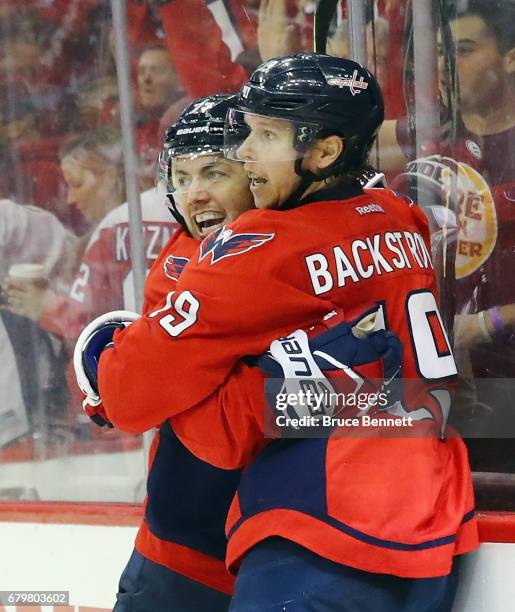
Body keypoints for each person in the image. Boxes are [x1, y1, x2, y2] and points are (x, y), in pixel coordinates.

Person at [80, 53, 478, 611]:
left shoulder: (257, 254)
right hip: (430, 516)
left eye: (263, 136)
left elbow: (126, 398)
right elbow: (375, 391)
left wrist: (247, 395)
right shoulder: (397, 216)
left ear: (324, 151)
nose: (245, 153)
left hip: (319, 527)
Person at [88, 94, 255, 611]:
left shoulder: (293, 249)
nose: (195, 195)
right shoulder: (183, 253)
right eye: (182, 179)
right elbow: (138, 395)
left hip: (282, 545)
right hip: (179, 549)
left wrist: (121, 387)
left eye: (214, 172)